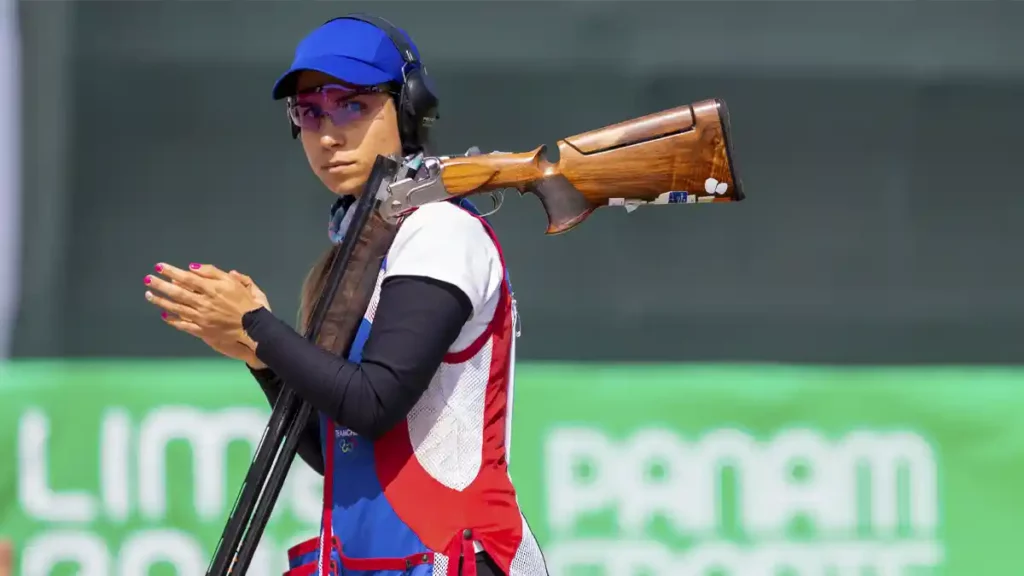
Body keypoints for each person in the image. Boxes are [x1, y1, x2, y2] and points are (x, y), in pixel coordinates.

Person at [142, 12, 549, 576]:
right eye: (309, 113)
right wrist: (259, 357)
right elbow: (338, 447)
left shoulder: (440, 229)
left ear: (407, 106)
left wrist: (260, 326)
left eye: (352, 105)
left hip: (455, 560)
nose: (328, 134)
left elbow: (374, 402)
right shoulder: (364, 245)